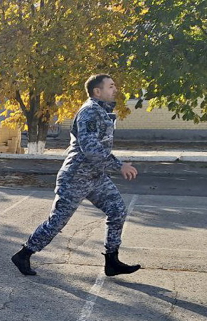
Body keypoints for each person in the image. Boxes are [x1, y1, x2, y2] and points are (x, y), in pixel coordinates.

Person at [11, 74, 141, 277]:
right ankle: (24, 254)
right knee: (57, 221)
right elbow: (90, 149)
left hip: (96, 178)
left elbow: (98, 149)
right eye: (111, 86)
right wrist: (119, 165)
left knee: (117, 211)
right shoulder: (89, 112)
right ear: (97, 91)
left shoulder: (102, 112)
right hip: (75, 178)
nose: (115, 89)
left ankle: (112, 261)